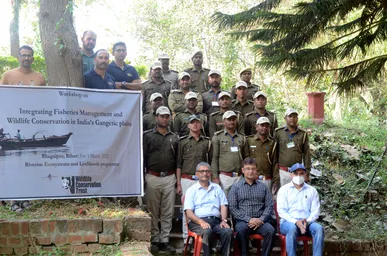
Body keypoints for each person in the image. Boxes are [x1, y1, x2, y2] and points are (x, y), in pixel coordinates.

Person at [143, 106, 178, 253]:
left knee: (167, 211)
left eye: (167, 116)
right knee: (152, 210)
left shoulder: (174, 137)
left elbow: (178, 160)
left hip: (169, 177)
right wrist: (143, 178)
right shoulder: (148, 136)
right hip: (152, 177)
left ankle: (164, 239)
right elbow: (143, 157)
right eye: (162, 116)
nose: (164, 119)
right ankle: (155, 239)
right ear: (156, 117)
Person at [228, 157, 276, 256]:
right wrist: (249, 219)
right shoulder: (235, 187)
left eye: (253, 169)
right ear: (243, 170)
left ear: (256, 170)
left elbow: (269, 206)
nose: (250, 171)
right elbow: (233, 208)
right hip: (243, 221)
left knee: (271, 231)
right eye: (248, 169)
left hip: (261, 221)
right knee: (241, 231)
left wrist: (261, 219)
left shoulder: (263, 187)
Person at [184, 162, 233, 256]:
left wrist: (224, 220)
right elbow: (189, 212)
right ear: (197, 174)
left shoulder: (217, 188)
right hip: (198, 222)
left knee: (228, 231)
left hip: (216, 221)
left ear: (210, 173)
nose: (205, 173)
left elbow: (223, 205)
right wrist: (200, 222)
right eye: (201, 171)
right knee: (207, 231)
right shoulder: (191, 190)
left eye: (207, 171)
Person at [176, 116, 212, 241]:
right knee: (187, 209)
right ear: (188, 126)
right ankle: (187, 238)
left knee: (201, 208)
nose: (195, 125)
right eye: (192, 123)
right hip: (186, 179)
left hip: (202, 180)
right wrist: (179, 183)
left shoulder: (207, 142)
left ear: (201, 125)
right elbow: (179, 163)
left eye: (198, 122)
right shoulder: (182, 142)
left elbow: (210, 162)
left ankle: (202, 238)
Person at [277, 163, 324, 256]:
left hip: (307, 223)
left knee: (319, 228)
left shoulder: (312, 190)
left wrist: (307, 221)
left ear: (305, 174)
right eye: (296, 173)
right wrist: (295, 222)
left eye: (301, 173)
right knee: (292, 229)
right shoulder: (284, 190)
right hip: (288, 223)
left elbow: (315, 211)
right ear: (291, 174)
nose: (298, 176)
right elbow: (281, 211)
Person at [211, 111, 249, 194]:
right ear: (224, 121)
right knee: (225, 204)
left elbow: (246, 158)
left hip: (239, 177)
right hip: (224, 177)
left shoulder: (242, 137)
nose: (232, 121)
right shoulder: (218, 137)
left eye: (234, 119)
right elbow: (214, 158)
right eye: (229, 119)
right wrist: (215, 177)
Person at [274, 108, 311, 186]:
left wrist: (307, 172)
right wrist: (275, 172)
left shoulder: (303, 134)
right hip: (283, 172)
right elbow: (274, 153)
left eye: (295, 116)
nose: (292, 119)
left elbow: (306, 154)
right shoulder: (278, 132)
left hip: (298, 172)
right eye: (290, 116)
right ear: (285, 118)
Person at [247, 117, 279, 194]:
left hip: (267, 179)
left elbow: (275, 163)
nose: (264, 127)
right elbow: (245, 160)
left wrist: (276, 181)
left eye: (267, 126)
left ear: (269, 128)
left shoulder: (272, 143)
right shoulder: (249, 141)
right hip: (252, 178)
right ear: (257, 127)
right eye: (262, 125)